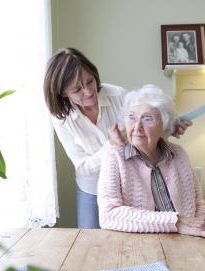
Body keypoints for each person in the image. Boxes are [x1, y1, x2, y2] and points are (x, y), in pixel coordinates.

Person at [43, 48, 192, 229]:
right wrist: (111, 145)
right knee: (92, 243)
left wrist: (168, 128)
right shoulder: (62, 119)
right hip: (92, 187)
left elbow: (142, 131)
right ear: (63, 93)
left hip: (127, 180)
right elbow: (83, 168)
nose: (88, 91)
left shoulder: (118, 95)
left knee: (132, 233)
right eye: (77, 89)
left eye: (90, 81)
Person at [98, 84, 205, 237]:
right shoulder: (114, 156)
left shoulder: (178, 154)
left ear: (164, 125)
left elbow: (198, 202)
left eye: (147, 119)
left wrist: (199, 226)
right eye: (131, 117)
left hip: (185, 241)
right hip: (138, 246)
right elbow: (108, 215)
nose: (137, 127)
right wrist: (176, 222)